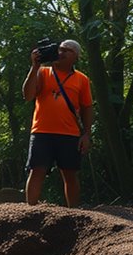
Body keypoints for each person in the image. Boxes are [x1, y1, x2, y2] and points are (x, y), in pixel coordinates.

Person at [22, 39, 94, 207]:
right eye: (59, 49)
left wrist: (87, 135)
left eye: (66, 50)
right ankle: (30, 209)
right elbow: (28, 96)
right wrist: (34, 67)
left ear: (75, 57)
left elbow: (87, 108)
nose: (60, 52)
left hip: (69, 133)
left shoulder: (82, 79)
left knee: (70, 174)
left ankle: (74, 212)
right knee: (36, 170)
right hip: (41, 131)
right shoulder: (42, 72)